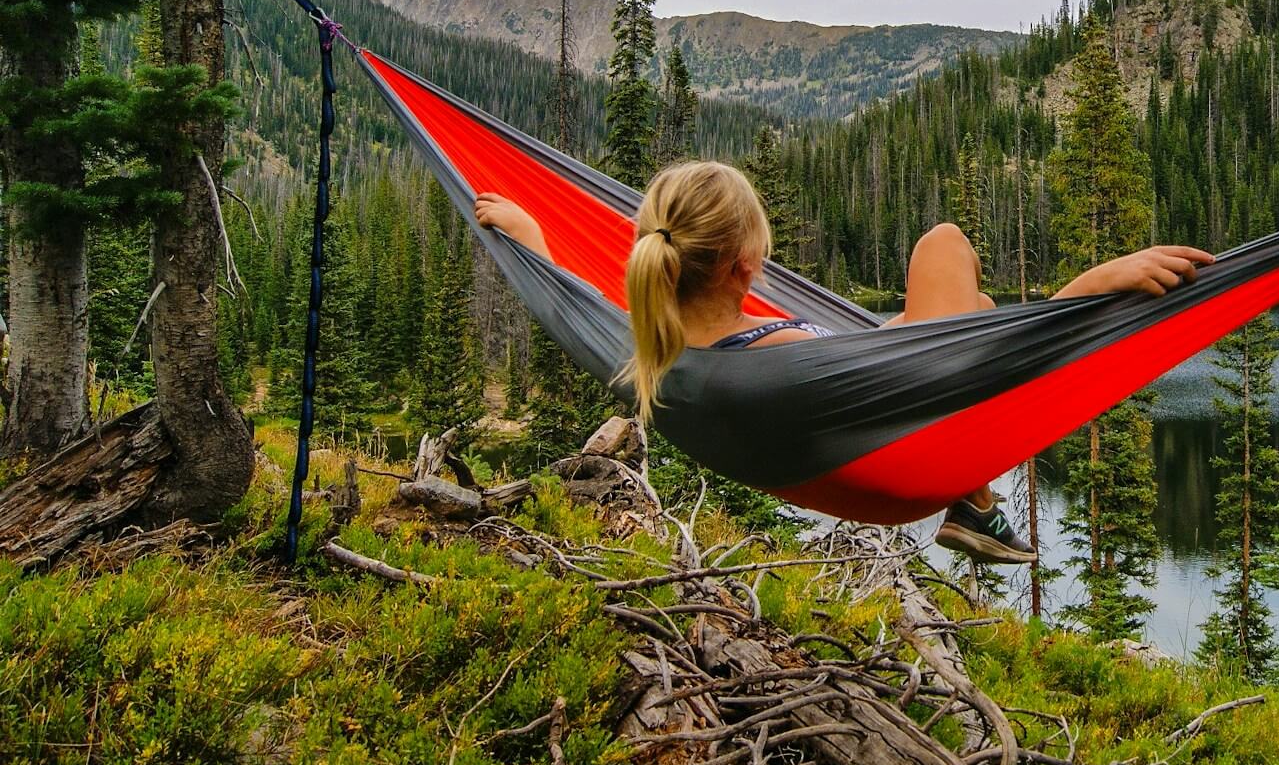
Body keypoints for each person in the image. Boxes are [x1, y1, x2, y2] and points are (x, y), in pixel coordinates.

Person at [476, 160, 1213, 565]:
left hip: (851, 424)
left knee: (978, 306)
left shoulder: (648, 349)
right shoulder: (780, 362)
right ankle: (975, 500)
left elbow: (573, 303)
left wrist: (532, 238)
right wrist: (1090, 291)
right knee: (944, 243)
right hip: (903, 465)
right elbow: (971, 378)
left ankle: (980, 504)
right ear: (744, 265)